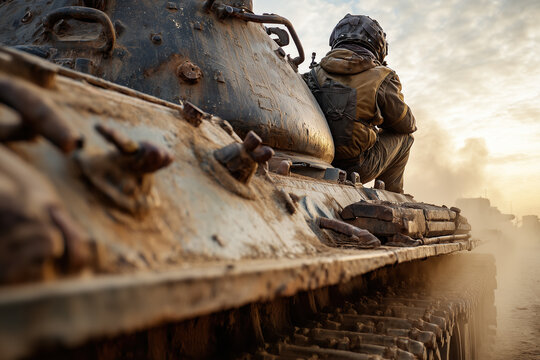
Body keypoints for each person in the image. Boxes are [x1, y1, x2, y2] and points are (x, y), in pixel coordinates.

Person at [305, 14, 416, 193]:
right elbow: (406, 125)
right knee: (405, 138)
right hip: (357, 168)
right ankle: (391, 194)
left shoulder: (312, 73)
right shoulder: (382, 76)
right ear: (378, 46)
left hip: (318, 161)